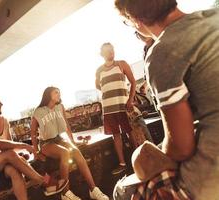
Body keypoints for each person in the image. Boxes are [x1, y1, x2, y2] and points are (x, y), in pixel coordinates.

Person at [113, 0, 219, 199]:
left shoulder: (162, 52)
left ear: (135, 20)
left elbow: (182, 147)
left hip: (209, 179)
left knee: (124, 191)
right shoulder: (214, 19)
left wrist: (149, 157)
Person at [0, 91, 64, 200]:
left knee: (15, 172)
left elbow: (9, 145)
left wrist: (21, 157)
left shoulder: (4, 121)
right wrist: (25, 146)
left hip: (2, 161)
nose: (1, 104)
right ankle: (42, 180)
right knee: (9, 154)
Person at [31, 87, 109, 200]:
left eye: (59, 92)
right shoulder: (38, 111)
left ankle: (93, 189)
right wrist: (36, 151)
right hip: (45, 143)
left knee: (76, 151)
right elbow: (33, 132)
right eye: (56, 92)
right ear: (48, 95)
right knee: (65, 153)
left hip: (58, 139)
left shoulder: (60, 107)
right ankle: (65, 193)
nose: (59, 94)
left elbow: (66, 126)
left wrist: (72, 142)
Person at [95, 43, 136, 173]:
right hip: (108, 108)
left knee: (130, 131)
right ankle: (122, 163)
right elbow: (98, 86)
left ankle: (140, 158)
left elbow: (133, 82)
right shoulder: (99, 70)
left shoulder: (122, 64)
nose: (111, 52)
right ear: (102, 54)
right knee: (115, 135)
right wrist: (110, 92)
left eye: (112, 50)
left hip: (123, 105)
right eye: (108, 51)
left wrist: (130, 99)